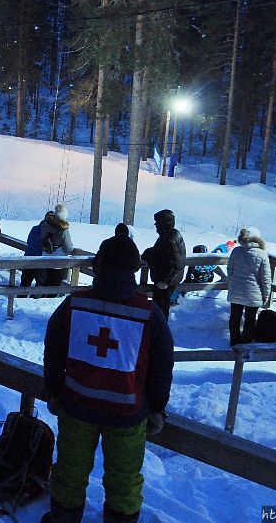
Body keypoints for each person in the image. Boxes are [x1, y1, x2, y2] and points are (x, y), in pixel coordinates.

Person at [42, 224, 174, 523]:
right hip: (127, 413)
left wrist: (53, 389)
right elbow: (162, 364)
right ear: (134, 269)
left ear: (97, 265)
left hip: (76, 406)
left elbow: (53, 346)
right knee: (125, 480)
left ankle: (63, 518)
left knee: (69, 473)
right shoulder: (149, 313)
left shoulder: (75, 303)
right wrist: (157, 407)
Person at [226, 227, 271, 346]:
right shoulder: (262, 254)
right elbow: (265, 278)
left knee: (235, 317)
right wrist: (266, 294)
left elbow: (230, 270)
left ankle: (234, 342)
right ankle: (246, 343)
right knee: (250, 319)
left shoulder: (236, 251)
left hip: (236, 289)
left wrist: (231, 283)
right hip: (254, 292)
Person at [142, 209, 185, 319]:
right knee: (160, 309)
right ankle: (158, 331)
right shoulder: (171, 234)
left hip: (165, 281)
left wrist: (165, 282)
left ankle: (159, 333)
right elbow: (163, 253)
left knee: (160, 310)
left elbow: (177, 264)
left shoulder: (169, 238)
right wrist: (149, 252)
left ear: (163, 223)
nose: (155, 224)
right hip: (166, 279)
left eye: (157, 222)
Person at [39, 205, 74, 287]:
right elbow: (68, 248)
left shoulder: (45, 225)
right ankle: (49, 298)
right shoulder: (63, 230)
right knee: (54, 285)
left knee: (45, 283)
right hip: (58, 261)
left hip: (44, 258)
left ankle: (40, 297)